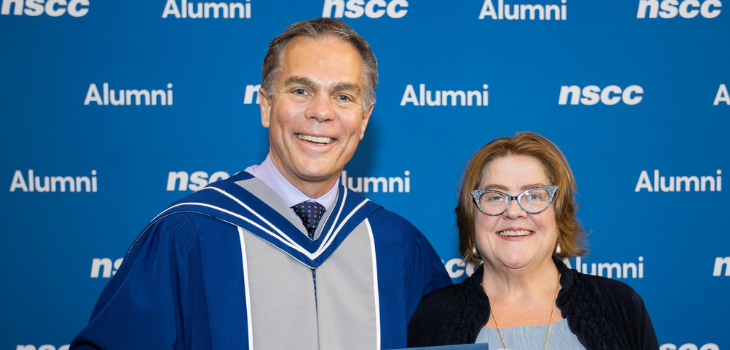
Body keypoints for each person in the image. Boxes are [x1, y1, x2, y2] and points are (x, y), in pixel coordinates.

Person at [71, 18, 451, 350]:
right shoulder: (189, 235)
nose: (321, 112)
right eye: (300, 91)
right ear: (266, 105)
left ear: (364, 118)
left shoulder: (396, 246)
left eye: (343, 96)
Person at [408, 132, 659, 350]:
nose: (514, 211)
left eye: (534, 196)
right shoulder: (430, 319)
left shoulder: (619, 305)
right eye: (495, 197)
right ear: (471, 217)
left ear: (559, 215)